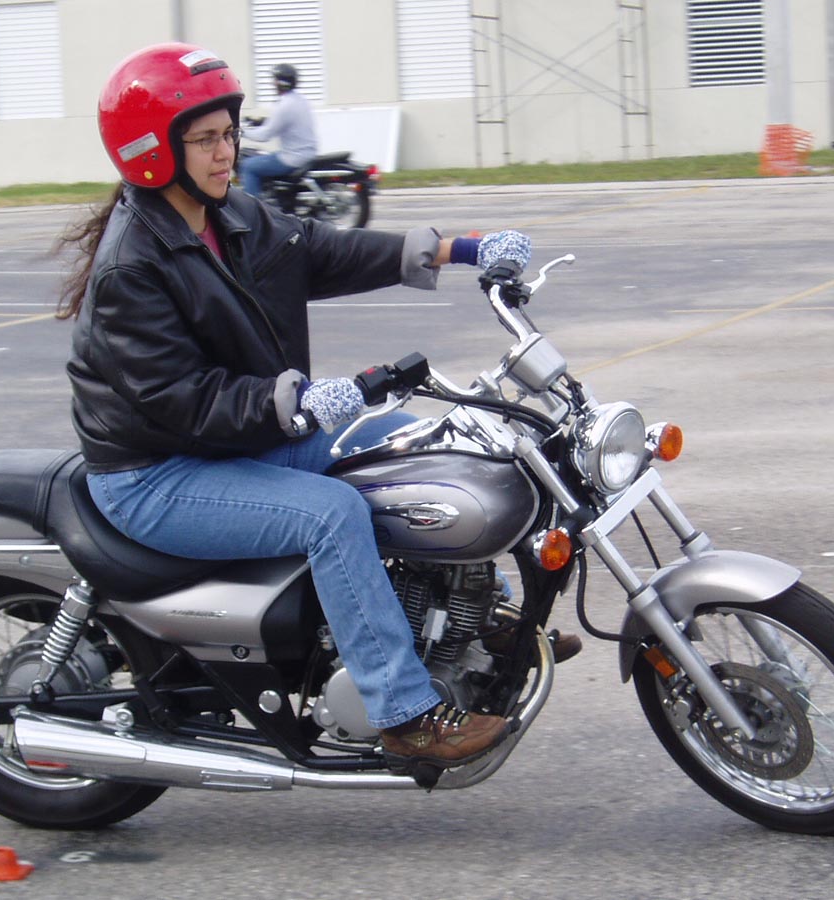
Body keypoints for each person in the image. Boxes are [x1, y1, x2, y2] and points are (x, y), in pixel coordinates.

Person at [54, 42, 543, 772]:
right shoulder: (133, 265)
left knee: (411, 444)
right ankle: (405, 715)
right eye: (206, 139)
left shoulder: (228, 215)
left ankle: (480, 617)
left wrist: (462, 249)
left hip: (233, 441)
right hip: (155, 474)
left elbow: (324, 250)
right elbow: (179, 399)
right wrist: (298, 402)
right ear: (153, 153)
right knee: (331, 513)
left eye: (229, 132)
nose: (227, 152)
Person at [237, 62, 317, 196]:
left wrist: (241, 132)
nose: (272, 83)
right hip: (306, 153)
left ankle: (252, 207)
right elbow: (284, 123)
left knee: (248, 166)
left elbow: (265, 135)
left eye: (274, 80)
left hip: (292, 157)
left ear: (280, 82)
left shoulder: (284, 105)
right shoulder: (299, 100)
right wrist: (258, 121)